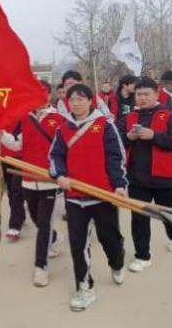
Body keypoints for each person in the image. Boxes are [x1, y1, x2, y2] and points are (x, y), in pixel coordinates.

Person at [50, 84, 127, 312]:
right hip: (74, 197)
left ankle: (117, 262)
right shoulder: (63, 129)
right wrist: (60, 175)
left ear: (91, 101)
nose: (75, 103)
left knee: (109, 239)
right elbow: (55, 156)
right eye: (72, 99)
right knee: (78, 245)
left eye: (80, 99)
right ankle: (84, 288)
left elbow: (116, 157)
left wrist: (119, 185)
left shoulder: (105, 126)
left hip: (102, 195)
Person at [1, 80, 64, 287]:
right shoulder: (26, 119)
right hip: (28, 180)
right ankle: (54, 238)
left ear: (49, 95)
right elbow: (17, 145)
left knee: (43, 223)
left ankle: (41, 266)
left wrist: (60, 172)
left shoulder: (59, 120)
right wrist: (1, 135)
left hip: (48, 181)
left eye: (42, 93)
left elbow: (65, 150)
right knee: (36, 218)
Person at [120, 77, 172, 273]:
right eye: (139, 94)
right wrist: (128, 137)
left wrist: (154, 136)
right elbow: (117, 141)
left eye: (146, 94)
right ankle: (142, 256)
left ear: (157, 95)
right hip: (137, 178)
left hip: (165, 177)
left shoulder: (169, 116)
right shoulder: (129, 118)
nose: (142, 98)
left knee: (168, 214)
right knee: (139, 218)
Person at [0, 122, 26, 241]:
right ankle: (19, 215)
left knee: (16, 189)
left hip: (21, 157)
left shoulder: (22, 117)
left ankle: (15, 225)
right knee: (10, 189)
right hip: (4, 157)